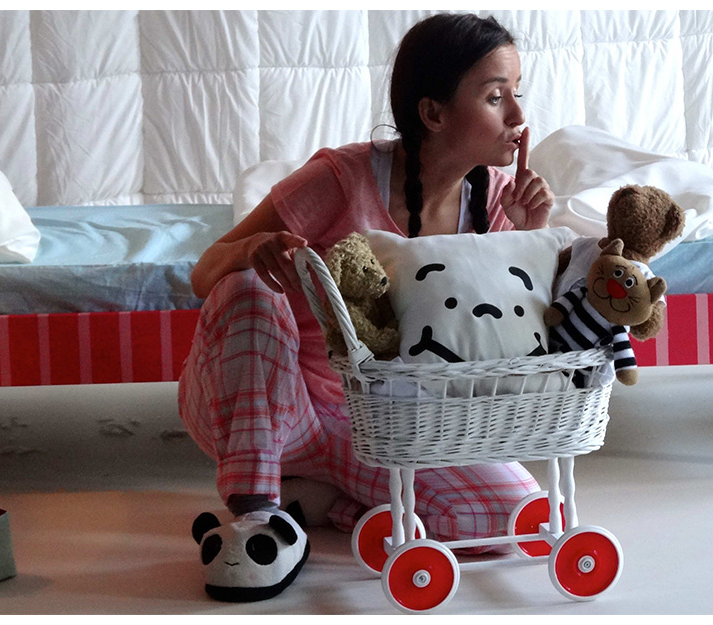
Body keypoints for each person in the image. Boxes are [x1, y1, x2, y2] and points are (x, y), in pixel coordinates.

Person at [179, 12, 556, 600]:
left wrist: (530, 239)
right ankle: (255, 516)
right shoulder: (341, 177)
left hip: (382, 425)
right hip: (275, 407)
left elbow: (510, 341)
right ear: (432, 114)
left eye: (517, 94)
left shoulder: (501, 202)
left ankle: (319, 501)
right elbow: (205, 275)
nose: (517, 116)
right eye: (494, 97)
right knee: (245, 286)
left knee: (513, 516)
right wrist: (252, 248)